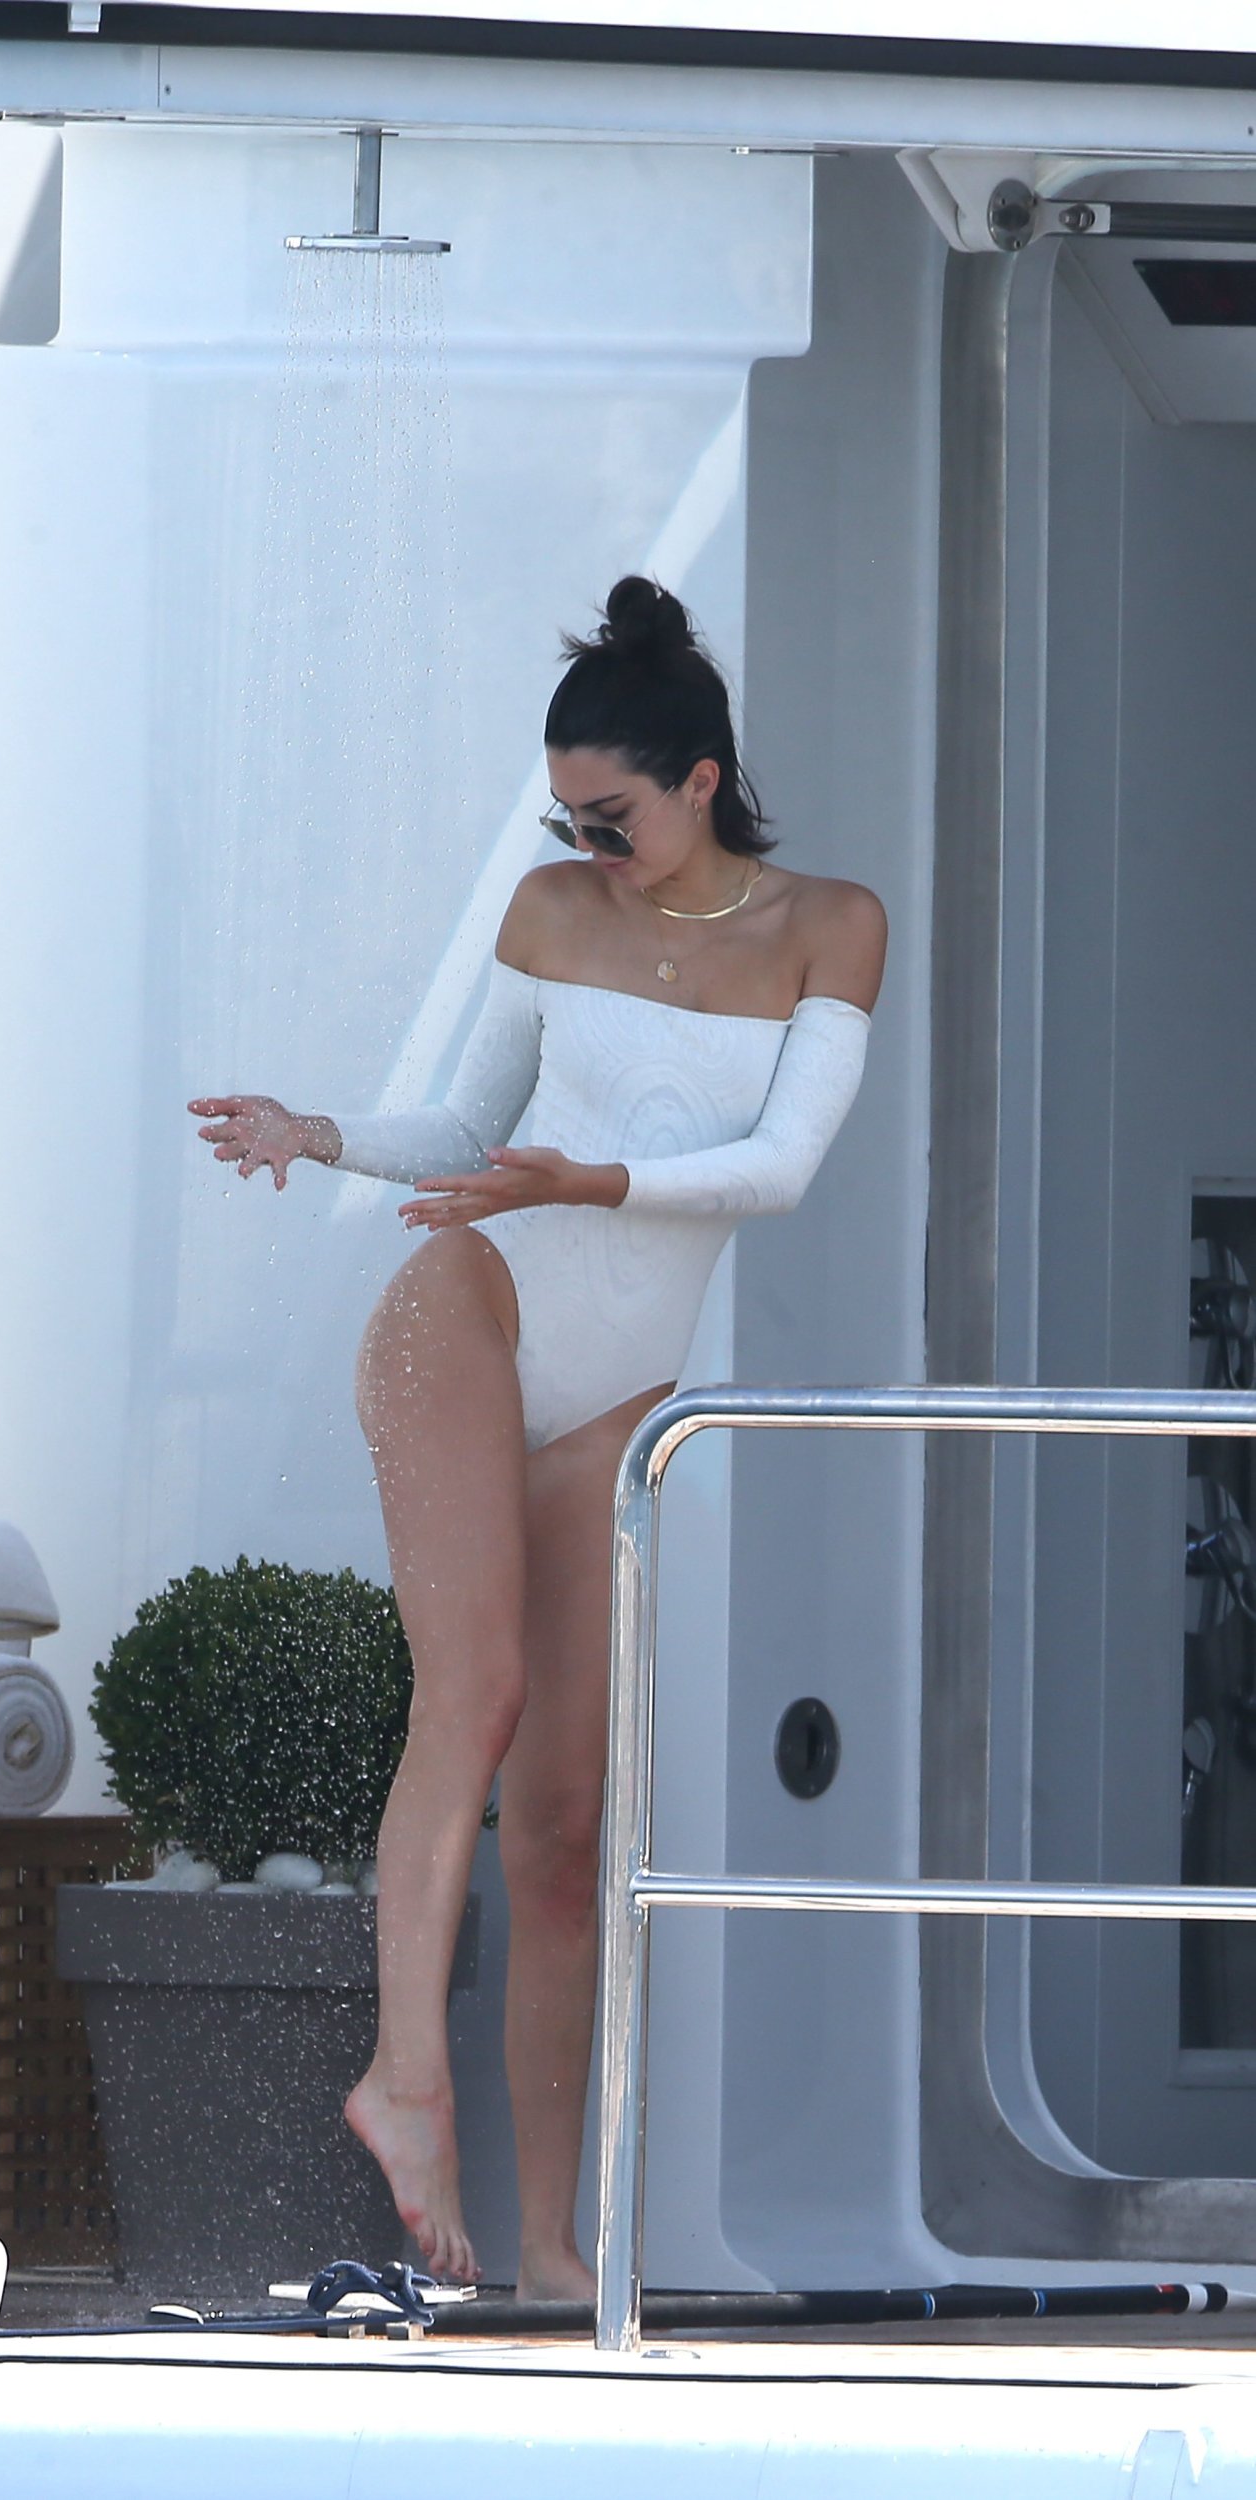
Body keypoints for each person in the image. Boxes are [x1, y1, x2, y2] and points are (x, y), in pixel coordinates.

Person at [190, 575, 886, 2296]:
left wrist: (595, 1179)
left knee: (567, 1827)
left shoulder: (829, 927)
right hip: (469, 1308)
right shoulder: (550, 910)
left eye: (612, 816)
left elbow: (779, 1170)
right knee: (477, 1696)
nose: (588, 845)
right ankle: (401, 2080)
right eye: (567, 819)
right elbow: (467, 1131)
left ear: (702, 780)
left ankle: (554, 2248)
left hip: (620, 1392)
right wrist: (321, 1132)